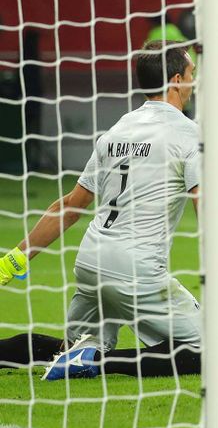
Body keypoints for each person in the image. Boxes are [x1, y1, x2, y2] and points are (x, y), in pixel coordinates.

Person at [0, 40, 202, 380]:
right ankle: (97, 363)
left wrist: (13, 260)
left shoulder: (117, 131)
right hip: (136, 270)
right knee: (207, 350)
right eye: (192, 74)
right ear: (177, 81)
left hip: (91, 261)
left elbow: (71, 206)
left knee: (70, 345)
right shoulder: (187, 134)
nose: (194, 82)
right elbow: (203, 203)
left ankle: (80, 355)